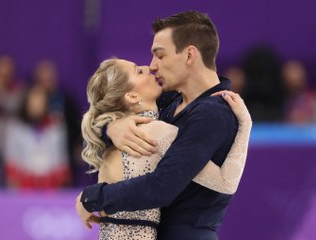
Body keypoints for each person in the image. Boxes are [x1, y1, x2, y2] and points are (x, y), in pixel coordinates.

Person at [76, 11, 251, 239]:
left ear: (189, 55)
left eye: (160, 56)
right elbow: (112, 106)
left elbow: (162, 186)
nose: (152, 66)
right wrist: (113, 127)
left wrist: (93, 196)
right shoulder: (168, 101)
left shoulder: (212, 113)